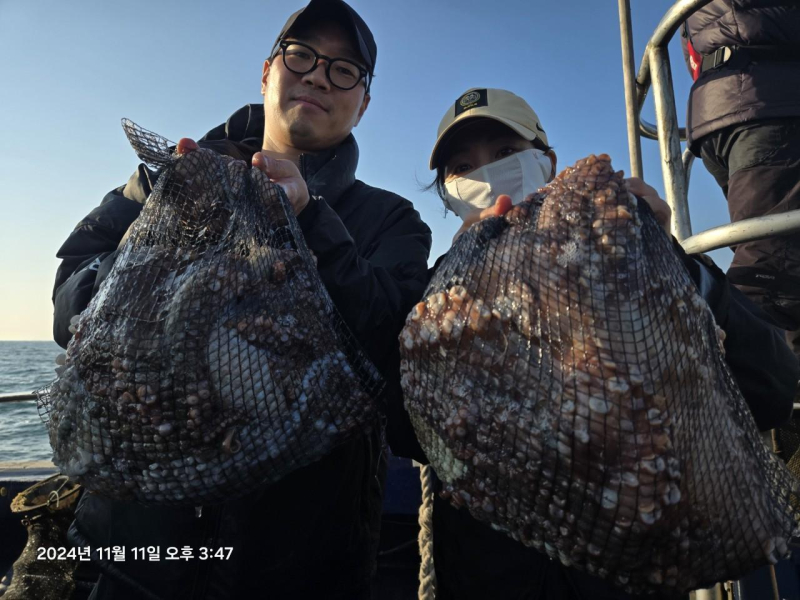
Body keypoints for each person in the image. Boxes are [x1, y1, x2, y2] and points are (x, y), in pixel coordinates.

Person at [51, 1, 432, 598]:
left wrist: (308, 220)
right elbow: (68, 299)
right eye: (301, 56)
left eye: (343, 70)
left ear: (363, 101)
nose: (316, 76)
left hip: (299, 567)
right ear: (267, 71)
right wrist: (150, 257)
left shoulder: (391, 220)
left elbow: (396, 351)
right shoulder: (166, 178)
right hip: (133, 552)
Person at [395, 87, 799, 600]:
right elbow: (403, 423)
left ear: (547, 161)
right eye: (463, 165)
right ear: (449, 192)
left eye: (504, 154)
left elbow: (771, 386)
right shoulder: (432, 304)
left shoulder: (626, 268)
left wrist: (671, 265)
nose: (487, 173)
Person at [681, 1, 800, 360]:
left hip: (727, 105)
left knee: (780, 255)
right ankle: (709, 384)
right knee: (773, 268)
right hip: (768, 98)